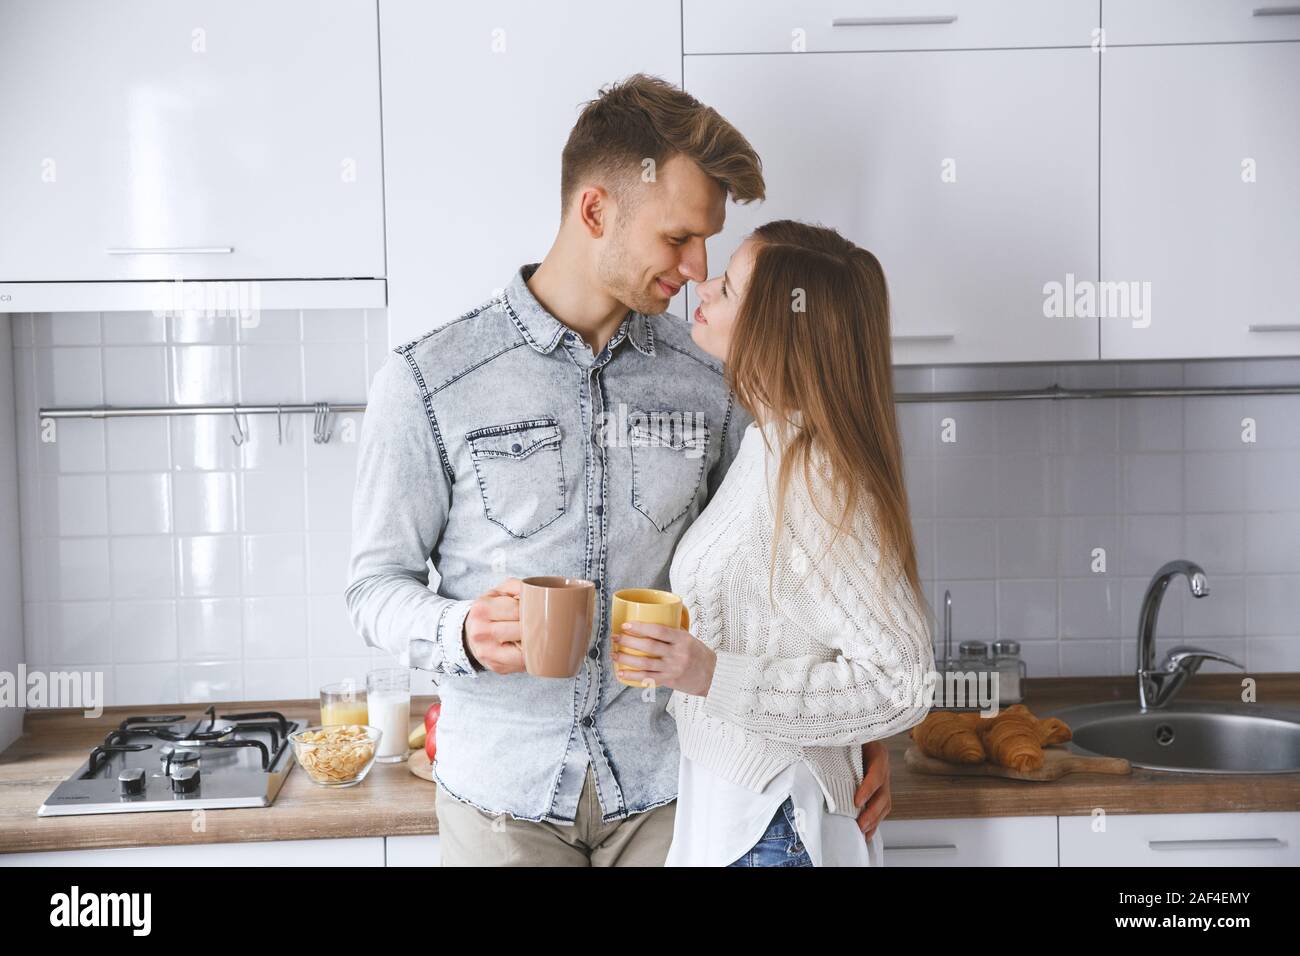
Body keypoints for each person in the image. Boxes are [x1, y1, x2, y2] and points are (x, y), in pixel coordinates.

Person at [611, 220, 935, 866]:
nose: (701, 285)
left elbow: (903, 682)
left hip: (772, 827)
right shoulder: (771, 442)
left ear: (774, 327)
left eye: (726, 287)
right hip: (745, 816)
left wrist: (711, 673)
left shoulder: (814, 476)